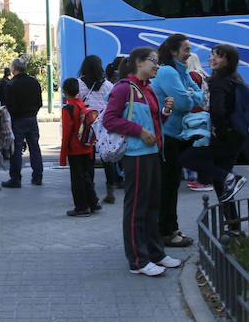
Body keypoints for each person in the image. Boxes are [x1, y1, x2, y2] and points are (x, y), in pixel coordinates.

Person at [102, 47, 181, 277]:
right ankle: (137, 260)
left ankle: (156, 254)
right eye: (153, 61)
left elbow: (152, 121)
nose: (157, 66)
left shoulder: (148, 90)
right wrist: (139, 131)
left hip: (153, 153)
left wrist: (165, 112)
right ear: (138, 62)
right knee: (137, 208)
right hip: (135, 156)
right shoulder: (124, 89)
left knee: (152, 206)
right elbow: (110, 120)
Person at [151, 34, 202, 248]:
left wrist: (190, 95)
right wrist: (190, 95)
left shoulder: (181, 71)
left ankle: (170, 228)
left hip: (177, 136)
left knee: (171, 185)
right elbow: (183, 103)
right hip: (168, 138)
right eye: (186, 48)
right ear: (173, 51)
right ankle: (167, 231)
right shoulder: (168, 72)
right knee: (169, 186)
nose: (189, 52)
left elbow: (200, 96)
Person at [180, 44, 248, 203]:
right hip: (237, 136)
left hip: (225, 137)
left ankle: (230, 177)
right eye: (211, 55)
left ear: (228, 60)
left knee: (186, 158)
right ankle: (233, 225)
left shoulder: (219, 82)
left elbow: (218, 111)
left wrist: (219, 132)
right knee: (221, 183)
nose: (211, 58)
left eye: (217, 56)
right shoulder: (235, 78)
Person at [77, 55, 116, 203]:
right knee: (107, 159)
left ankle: (90, 192)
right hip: (104, 124)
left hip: (88, 124)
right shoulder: (108, 85)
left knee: (89, 158)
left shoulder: (79, 84)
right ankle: (110, 193)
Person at [60, 78, 99, 217]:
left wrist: (63, 155)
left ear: (65, 91)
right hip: (87, 147)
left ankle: (81, 207)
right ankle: (93, 202)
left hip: (74, 149)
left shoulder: (68, 109)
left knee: (77, 179)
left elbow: (66, 134)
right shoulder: (83, 105)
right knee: (87, 176)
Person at [2, 57, 43, 188]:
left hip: (17, 119)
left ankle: (15, 178)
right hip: (32, 118)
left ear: (14, 69)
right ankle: (38, 176)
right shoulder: (34, 82)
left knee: (16, 149)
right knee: (34, 147)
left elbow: (9, 104)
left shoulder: (11, 84)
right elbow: (39, 102)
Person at [184, 54, 214, 193]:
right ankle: (202, 178)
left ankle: (203, 180)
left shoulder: (192, 75)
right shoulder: (202, 73)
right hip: (204, 112)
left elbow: (191, 95)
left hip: (196, 115)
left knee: (198, 148)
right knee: (202, 148)